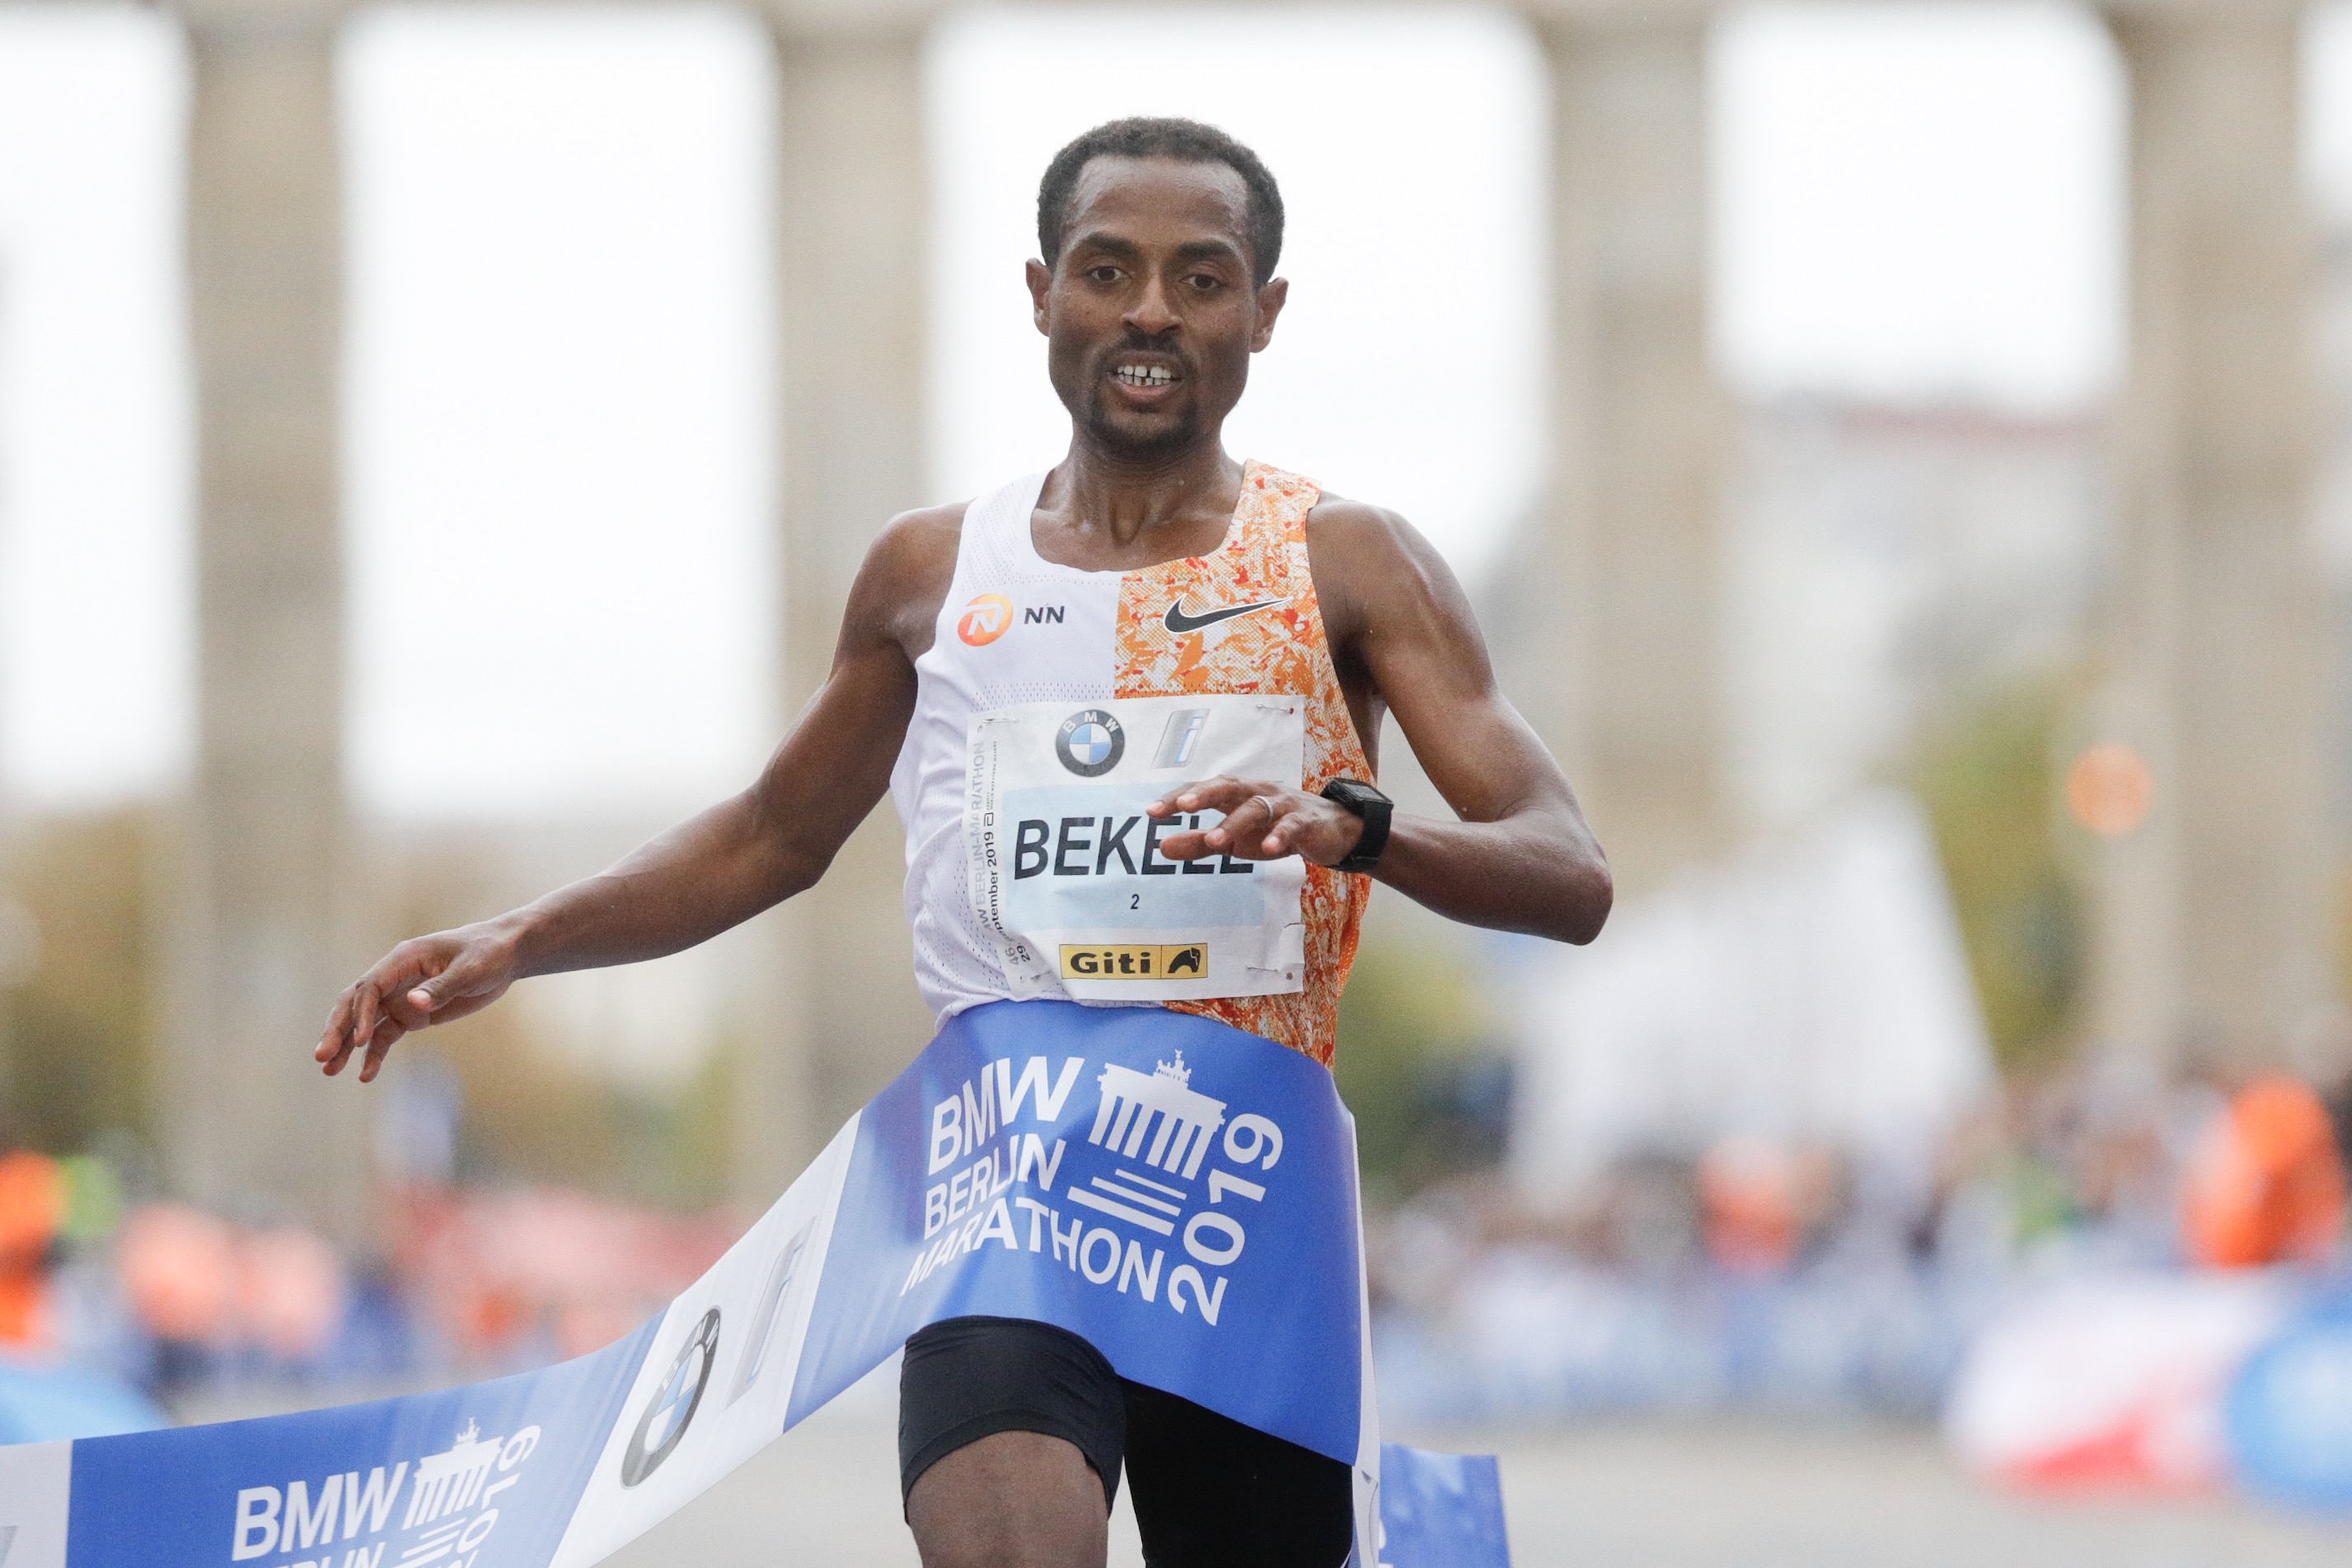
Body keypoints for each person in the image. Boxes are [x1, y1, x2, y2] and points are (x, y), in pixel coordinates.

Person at [316, 116, 1611, 1568]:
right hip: (1004, 1187)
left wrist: (1356, 829)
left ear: (1264, 312)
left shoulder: (1345, 561)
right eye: (1106, 270)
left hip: (1238, 1199)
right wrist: (520, 938)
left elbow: (1566, 872)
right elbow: (770, 836)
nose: (1149, 311)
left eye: (1200, 278)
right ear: (1041, 294)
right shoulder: (930, 573)